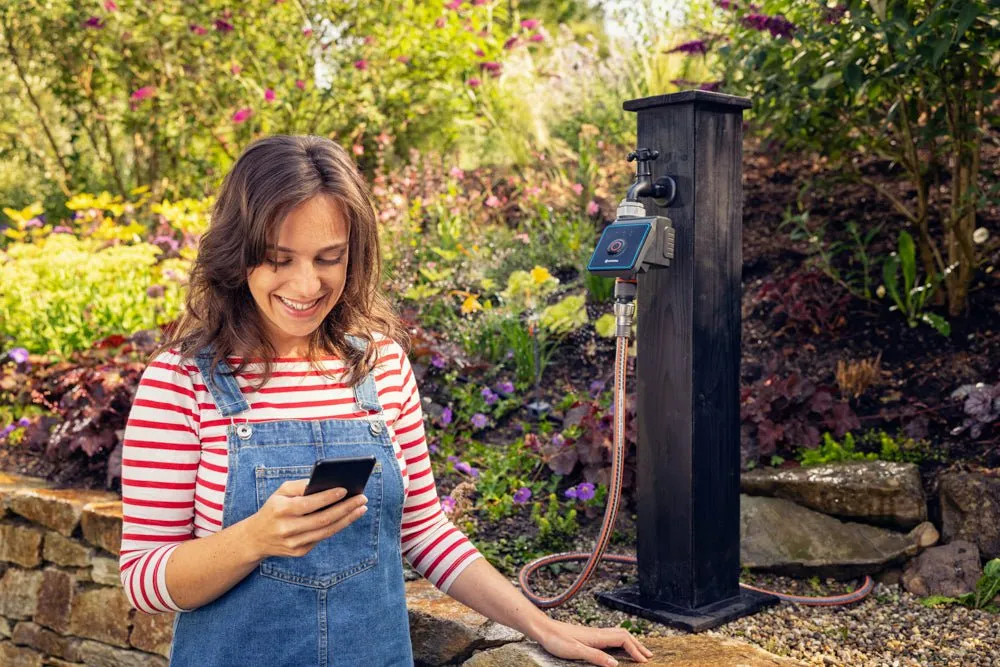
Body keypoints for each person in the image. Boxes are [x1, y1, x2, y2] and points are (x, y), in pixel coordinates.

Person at [118, 134, 652, 667]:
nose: (306, 284)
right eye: (279, 260)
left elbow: (423, 530)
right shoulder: (180, 382)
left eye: (330, 258)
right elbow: (142, 579)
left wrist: (543, 625)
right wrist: (253, 540)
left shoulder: (380, 365)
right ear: (238, 256)